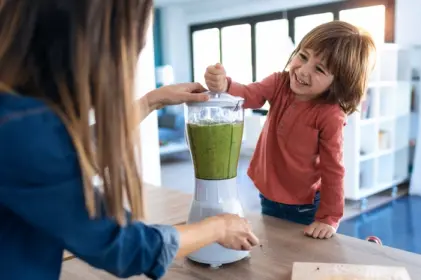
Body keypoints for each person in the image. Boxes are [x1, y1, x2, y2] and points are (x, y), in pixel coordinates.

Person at [0, 1, 259, 280]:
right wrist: (217, 228)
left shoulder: (18, 114)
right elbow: (120, 246)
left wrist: (153, 101)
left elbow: (67, 159)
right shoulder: (22, 130)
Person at [205, 21, 376, 240]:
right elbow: (249, 95)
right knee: (274, 245)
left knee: (305, 253)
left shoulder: (330, 115)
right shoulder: (279, 83)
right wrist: (225, 85)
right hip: (269, 193)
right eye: (303, 56)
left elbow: (333, 169)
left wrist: (329, 218)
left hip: (305, 205)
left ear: (339, 83)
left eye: (319, 69)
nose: (303, 71)